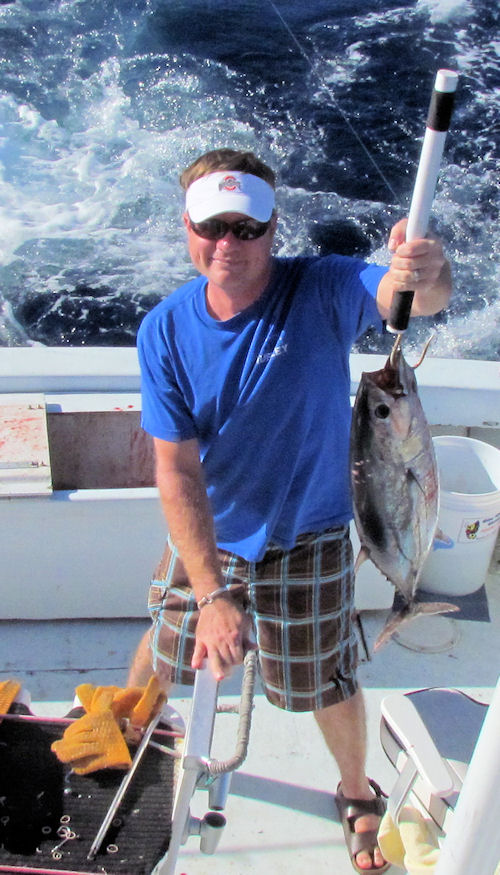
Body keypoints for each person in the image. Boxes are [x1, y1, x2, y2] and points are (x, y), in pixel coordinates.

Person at [128, 148, 452, 873]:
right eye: (214, 227)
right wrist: (211, 591)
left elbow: (407, 299)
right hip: (213, 531)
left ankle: (355, 789)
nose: (228, 245)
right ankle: (121, 730)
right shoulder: (164, 331)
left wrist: (426, 273)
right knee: (165, 636)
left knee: (324, 680)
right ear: (187, 228)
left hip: (312, 536)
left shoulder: (322, 285)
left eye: (247, 228)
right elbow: (175, 469)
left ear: (275, 230)